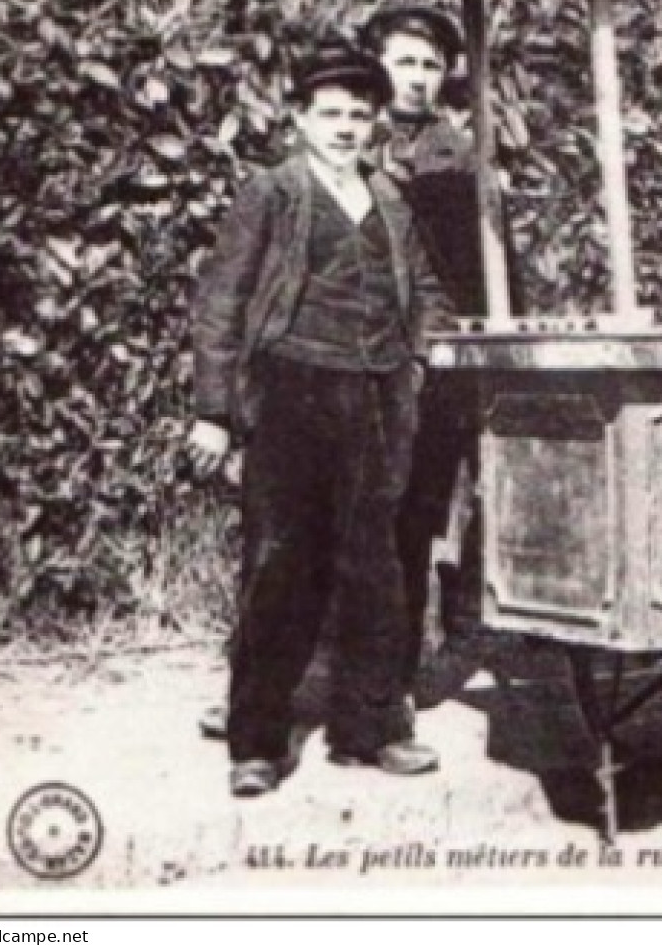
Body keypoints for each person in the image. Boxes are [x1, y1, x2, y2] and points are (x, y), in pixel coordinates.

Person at [187, 44, 456, 796]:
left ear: (375, 124)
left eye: (358, 115)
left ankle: (368, 733)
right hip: (290, 391)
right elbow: (222, 304)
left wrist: (425, 355)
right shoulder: (271, 192)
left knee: (375, 564)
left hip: (377, 396)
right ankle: (257, 744)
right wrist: (215, 412)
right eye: (329, 114)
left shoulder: (390, 197)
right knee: (281, 565)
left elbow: (427, 286)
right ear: (299, 118)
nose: (344, 127)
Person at [362, 5, 486, 698]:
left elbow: (469, 271)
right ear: (378, 65)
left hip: (424, 363)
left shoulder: (460, 152)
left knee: (412, 514)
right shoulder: (343, 135)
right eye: (404, 61)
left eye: (430, 65)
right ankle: (293, 676)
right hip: (342, 357)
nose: (416, 78)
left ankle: (395, 678)